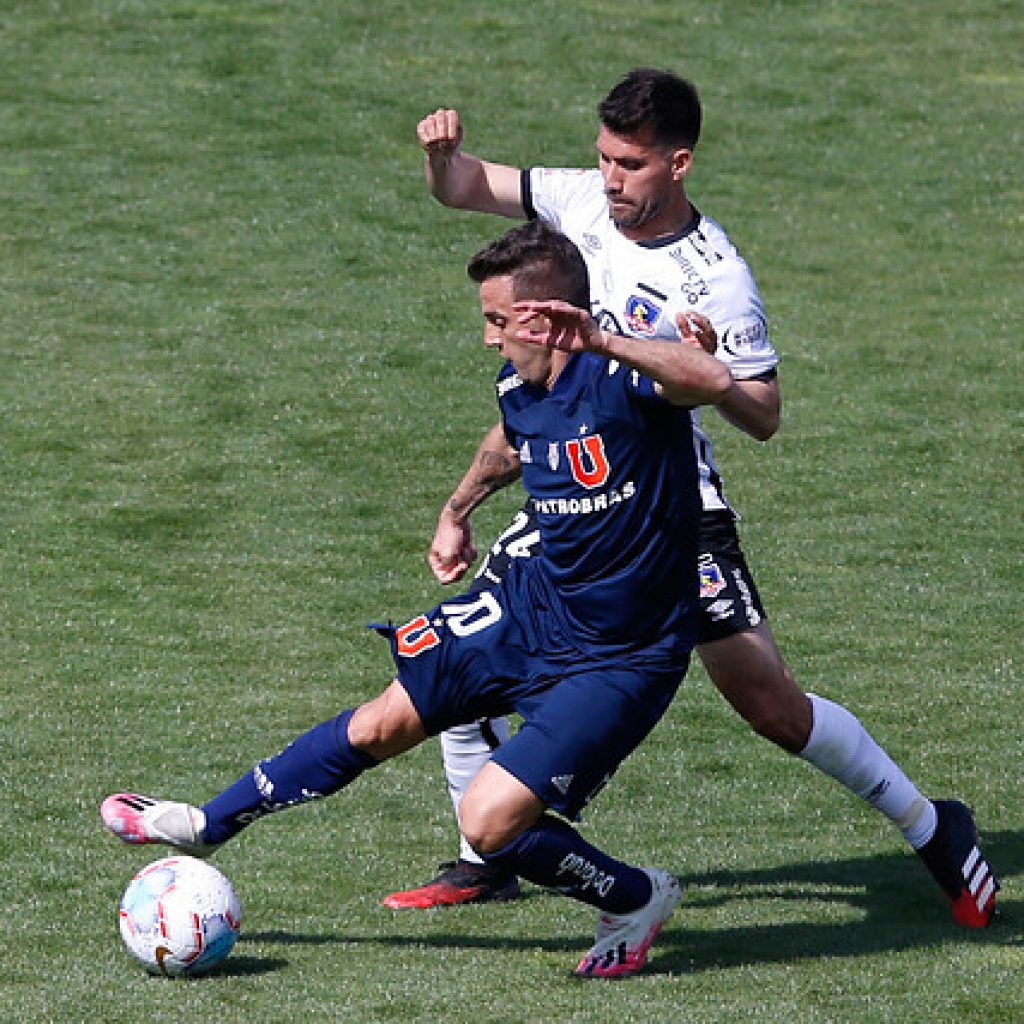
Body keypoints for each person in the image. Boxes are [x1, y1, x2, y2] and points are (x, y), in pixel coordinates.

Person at [381, 68, 998, 928]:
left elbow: (764, 413)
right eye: (603, 158)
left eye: (630, 165)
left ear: (679, 164)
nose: (609, 181)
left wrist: (703, 374)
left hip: (673, 512)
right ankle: (487, 859)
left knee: (772, 708)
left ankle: (933, 827)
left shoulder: (716, 277)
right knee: (468, 649)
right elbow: (460, 188)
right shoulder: (580, 200)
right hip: (575, 487)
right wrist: (438, 157)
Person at [100, 221, 735, 979]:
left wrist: (603, 339)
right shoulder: (520, 384)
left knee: (490, 821)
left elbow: (710, 382)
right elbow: (509, 441)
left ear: (544, 317)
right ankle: (208, 824)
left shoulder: (623, 374)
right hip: (535, 606)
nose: (489, 339)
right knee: (378, 723)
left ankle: (636, 898)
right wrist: (457, 509)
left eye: (499, 321)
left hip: (623, 654)